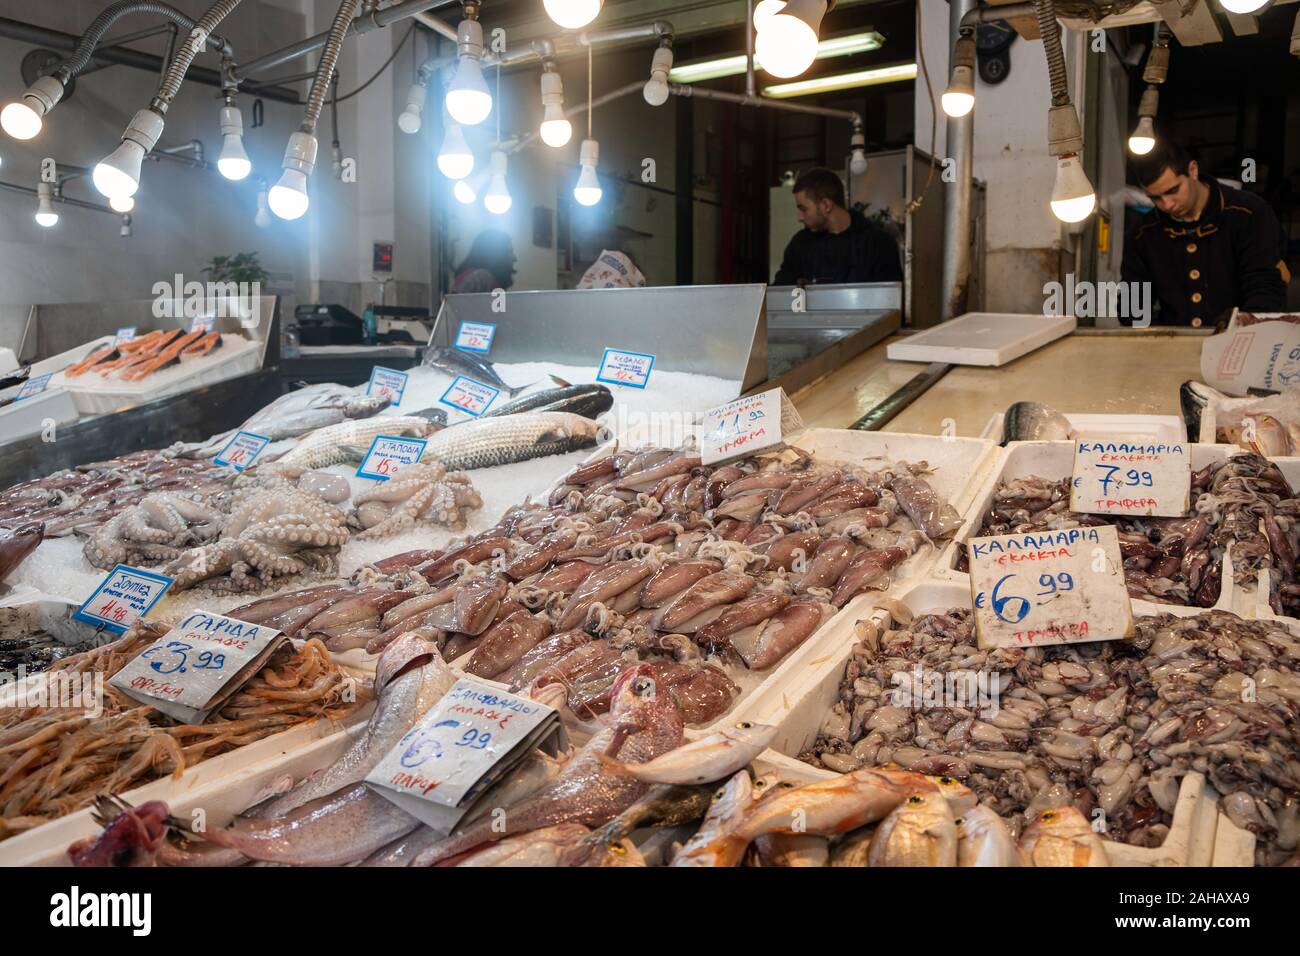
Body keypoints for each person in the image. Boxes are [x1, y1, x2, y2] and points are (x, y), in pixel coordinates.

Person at [1122, 141, 1287, 327]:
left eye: (1173, 190)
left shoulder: (1248, 213)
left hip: (1240, 343)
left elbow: (1265, 290)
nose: (1167, 205)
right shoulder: (1143, 233)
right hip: (1173, 346)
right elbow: (1133, 309)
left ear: (1193, 170)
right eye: (1155, 198)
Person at [773, 167, 903, 286]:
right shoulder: (800, 244)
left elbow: (890, 302)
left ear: (826, 205)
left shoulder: (879, 244)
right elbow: (780, 292)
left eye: (804, 209)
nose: (799, 218)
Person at [451, 229, 516, 293]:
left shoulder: (485, 278)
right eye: (509, 252)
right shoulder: (480, 277)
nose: (514, 258)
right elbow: (455, 302)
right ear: (496, 253)